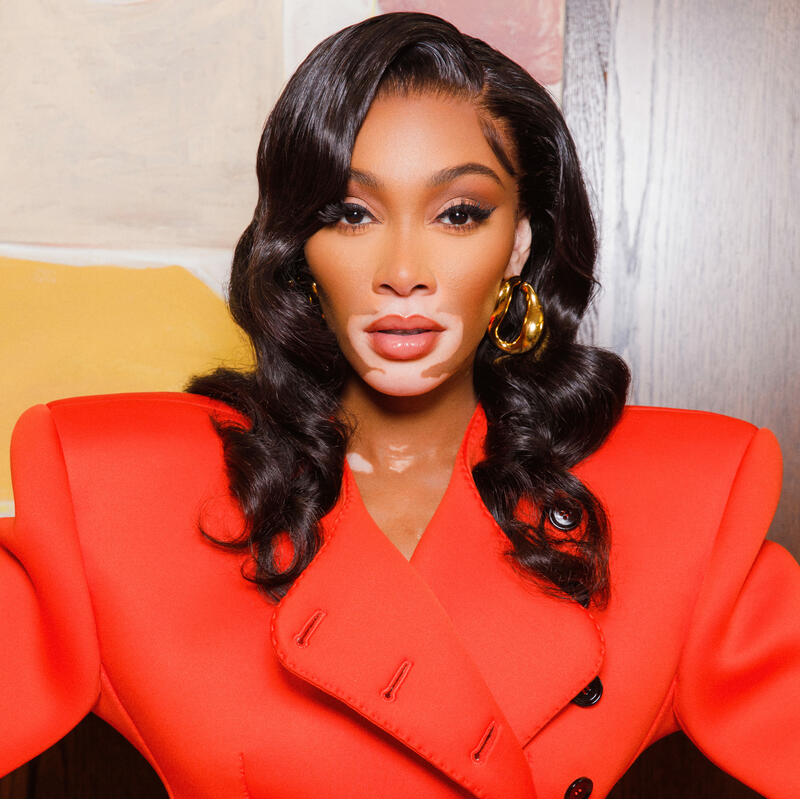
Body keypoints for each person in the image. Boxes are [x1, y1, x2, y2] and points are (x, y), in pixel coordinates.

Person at [1, 12, 798, 799]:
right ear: (299, 246)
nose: (404, 270)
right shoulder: (111, 490)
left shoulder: (682, 502)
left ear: (518, 241)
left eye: (459, 213)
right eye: (352, 214)